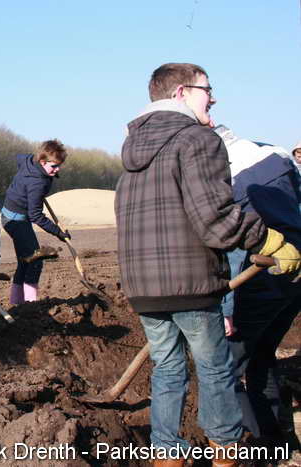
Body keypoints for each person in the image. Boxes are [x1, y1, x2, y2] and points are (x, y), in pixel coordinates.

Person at [114, 63, 300, 466]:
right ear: (181, 93)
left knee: (167, 368)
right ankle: (226, 454)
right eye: (207, 90)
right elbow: (215, 217)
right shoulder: (198, 139)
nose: (213, 98)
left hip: (142, 285)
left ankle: (166, 454)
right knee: (216, 369)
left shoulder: (131, 151)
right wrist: (269, 240)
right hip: (191, 283)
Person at [215, 126, 301, 447]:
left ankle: (248, 447)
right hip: (294, 280)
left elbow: (232, 247)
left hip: (260, 279)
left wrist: (226, 309)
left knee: (226, 369)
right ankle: (276, 440)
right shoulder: (277, 155)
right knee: (262, 357)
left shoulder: (227, 178)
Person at [1, 139, 69, 305]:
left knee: (25, 261)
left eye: (59, 166)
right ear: (42, 161)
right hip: (16, 221)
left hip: (11, 215)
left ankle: (17, 303)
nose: (57, 169)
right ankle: (30, 304)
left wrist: (49, 173)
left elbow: (19, 159)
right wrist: (58, 232)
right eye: (54, 166)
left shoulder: (29, 160)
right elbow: (36, 216)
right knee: (35, 261)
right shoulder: (37, 183)